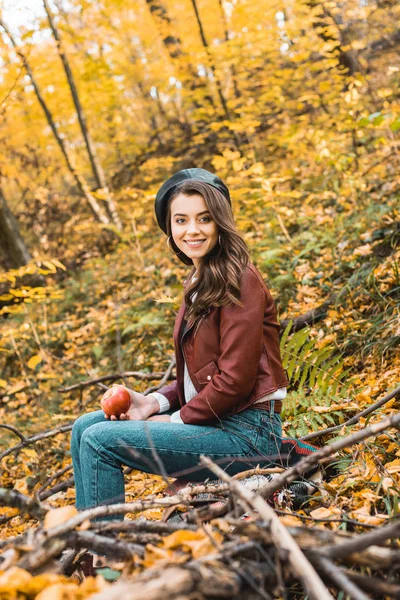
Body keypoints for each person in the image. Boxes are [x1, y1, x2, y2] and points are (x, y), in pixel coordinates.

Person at [71, 167, 293, 520]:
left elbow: (235, 379)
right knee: (84, 426)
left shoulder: (240, 278)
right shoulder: (201, 280)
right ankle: (90, 545)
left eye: (204, 219)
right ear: (170, 228)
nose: (192, 230)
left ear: (220, 222)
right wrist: (153, 402)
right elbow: (203, 376)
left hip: (247, 435)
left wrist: (174, 421)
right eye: (181, 220)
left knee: (100, 440)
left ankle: (107, 558)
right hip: (218, 424)